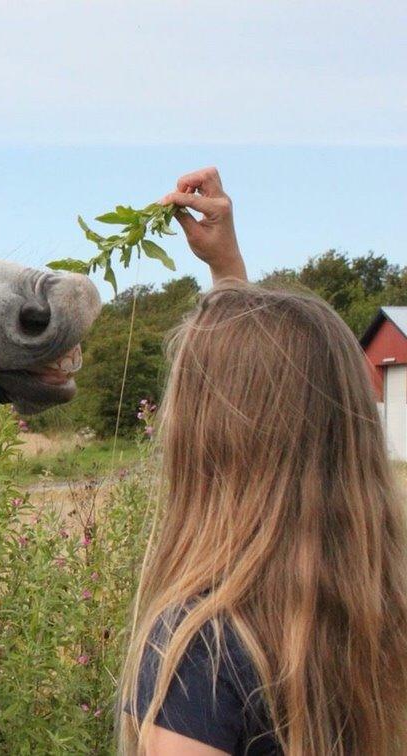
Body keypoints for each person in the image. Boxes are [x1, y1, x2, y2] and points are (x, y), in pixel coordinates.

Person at [117, 167, 407, 755]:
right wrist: (228, 271)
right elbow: (282, 394)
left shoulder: (200, 654)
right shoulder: (378, 606)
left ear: (206, 444)